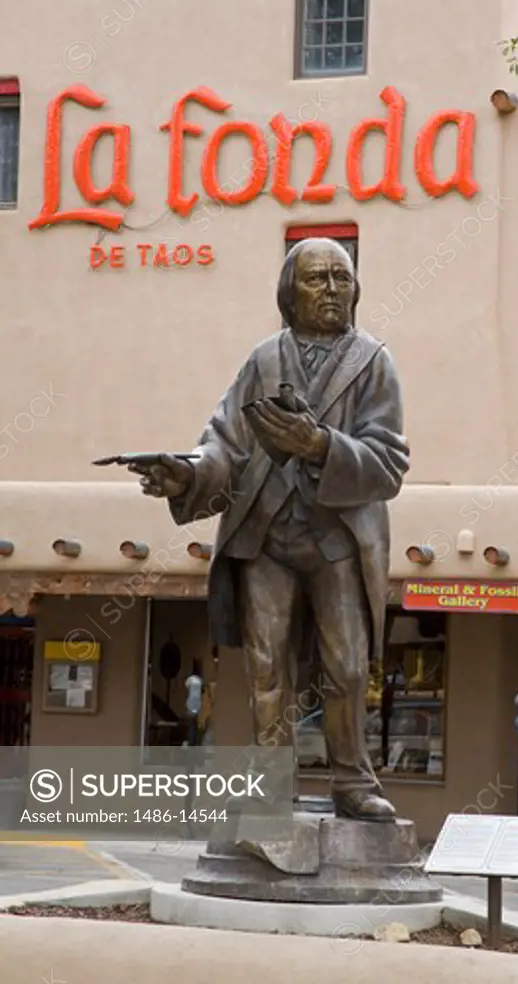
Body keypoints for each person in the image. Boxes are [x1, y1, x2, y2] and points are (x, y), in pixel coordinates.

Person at [127, 238, 409, 821]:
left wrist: (319, 443)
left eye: (342, 278)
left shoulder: (373, 361)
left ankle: (352, 782)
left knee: (348, 667)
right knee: (266, 667)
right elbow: (224, 444)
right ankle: (270, 785)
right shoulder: (263, 360)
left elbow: (388, 463)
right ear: (289, 292)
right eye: (317, 279)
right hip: (265, 534)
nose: (332, 289)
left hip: (337, 540)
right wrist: (184, 475)